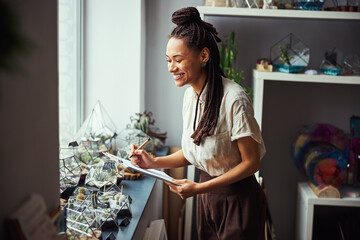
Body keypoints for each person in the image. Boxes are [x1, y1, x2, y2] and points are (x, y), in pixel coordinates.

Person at [130, 6, 268, 240]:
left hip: (238, 203)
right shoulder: (190, 96)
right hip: (207, 200)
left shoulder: (234, 99)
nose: (171, 68)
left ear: (203, 56)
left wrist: (199, 188)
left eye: (178, 60)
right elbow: (196, 152)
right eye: (168, 60)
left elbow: (251, 163)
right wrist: (153, 162)